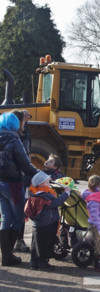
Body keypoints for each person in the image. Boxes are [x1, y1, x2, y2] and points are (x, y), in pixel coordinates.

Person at [0, 111, 39, 266]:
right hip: (13, 184)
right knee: (17, 218)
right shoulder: (14, 138)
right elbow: (24, 162)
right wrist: (39, 174)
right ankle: (8, 255)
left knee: (5, 217)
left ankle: (5, 255)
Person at [24, 171, 71, 270]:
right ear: (41, 184)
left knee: (35, 244)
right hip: (47, 223)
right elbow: (56, 202)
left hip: (37, 224)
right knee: (45, 244)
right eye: (47, 182)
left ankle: (34, 262)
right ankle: (43, 263)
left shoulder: (34, 193)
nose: (49, 183)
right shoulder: (45, 196)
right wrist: (66, 193)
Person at [10, 110, 32, 252]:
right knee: (17, 211)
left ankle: (11, 243)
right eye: (24, 117)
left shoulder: (25, 134)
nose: (26, 119)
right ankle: (16, 241)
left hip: (15, 178)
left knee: (9, 213)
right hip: (16, 178)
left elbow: (28, 155)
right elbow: (25, 158)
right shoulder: (16, 137)